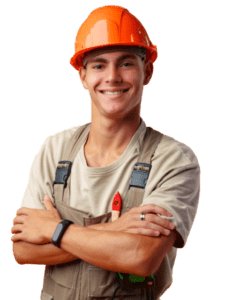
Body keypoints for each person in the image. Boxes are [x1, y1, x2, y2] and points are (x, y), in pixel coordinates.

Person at [11, 4, 201, 300]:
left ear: (146, 71)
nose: (112, 76)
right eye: (99, 64)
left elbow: (141, 256)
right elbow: (22, 250)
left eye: (126, 63)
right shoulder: (55, 148)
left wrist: (56, 230)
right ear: (82, 75)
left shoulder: (173, 158)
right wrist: (117, 230)